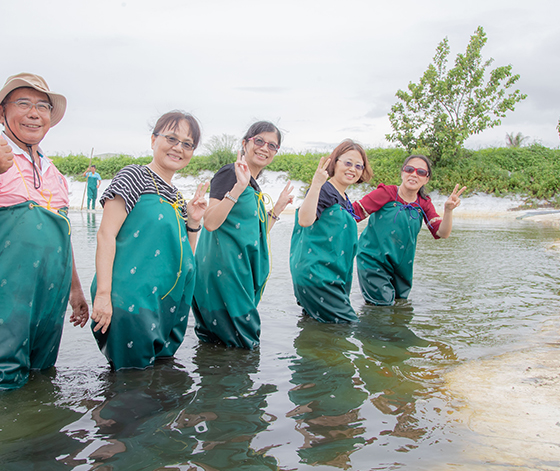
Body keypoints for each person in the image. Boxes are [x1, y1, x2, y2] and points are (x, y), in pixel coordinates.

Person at [0, 72, 89, 390]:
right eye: (23, 103)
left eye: (43, 106)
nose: (34, 113)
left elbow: (61, 238)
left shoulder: (54, 172)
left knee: (40, 380)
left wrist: (75, 291)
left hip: (47, 305)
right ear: (2, 111)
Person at [90, 111, 208, 370]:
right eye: (172, 138)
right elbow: (105, 234)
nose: (179, 148)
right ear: (153, 139)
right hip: (131, 302)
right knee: (131, 386)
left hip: (165, 304)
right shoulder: (134, 176)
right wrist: (102, 296)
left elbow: (182, 256)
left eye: (187, 144)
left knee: (157, 382)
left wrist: (194, 223)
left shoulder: (176, 196)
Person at [192, 121, 294, 349]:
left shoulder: (252, 185)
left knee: (222, 347)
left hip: (238, 274)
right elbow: (209, 222)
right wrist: (238, 187)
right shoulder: (231, 173)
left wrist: (276, 209)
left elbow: (256, 234)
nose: (264, 148)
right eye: (259, 141)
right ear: (245, 144)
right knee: (242, 347)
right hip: (226, 274)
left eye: (272, 145)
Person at [354, 154, 466, 305]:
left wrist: (448, 210)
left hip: (402, 267)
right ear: (402, 173)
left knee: (399, 305)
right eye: (409, 169)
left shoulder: (424, 203)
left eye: (421, 172)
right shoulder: (386, 193)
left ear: (426, 179)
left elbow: (442, 233)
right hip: (373, 261)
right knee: (382, 306)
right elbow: (354, 213)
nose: (414, 174)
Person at [290, 139, 373, 323]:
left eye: (359, 166)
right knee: (348, 326)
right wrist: (316, 184)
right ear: (335, 162)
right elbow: (305, 220)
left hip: (330, 277)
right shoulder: (325, 190)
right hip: (318, 277)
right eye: (348, 163)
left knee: (319, 328)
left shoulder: (343, 197)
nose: (353, 169)